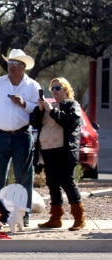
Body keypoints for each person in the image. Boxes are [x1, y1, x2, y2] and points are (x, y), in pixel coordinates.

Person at [0, 49, 41, 227]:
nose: (11, 68)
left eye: (15, 64)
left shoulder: (32, 86)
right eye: (9, 64)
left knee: (24, 177)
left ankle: (24, 214)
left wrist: (24, 103)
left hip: (22, 135)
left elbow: (38, 111)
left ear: (23, 67)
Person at [30, 77, 85, 231]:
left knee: (67, 182)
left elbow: (69, 122)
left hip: (65, 151)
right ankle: (55, 218)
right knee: (53, 183)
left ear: (66, 90)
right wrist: (40, 110)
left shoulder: (72, 105)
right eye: (52, 88)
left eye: (58, 88)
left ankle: (79, 217)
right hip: (48, 150)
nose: (54, 91)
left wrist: (51, 110)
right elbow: (34, 123)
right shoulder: (49, 105)